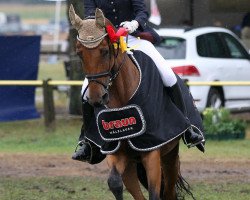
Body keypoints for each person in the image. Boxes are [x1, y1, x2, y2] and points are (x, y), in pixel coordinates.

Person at [72, 0, 204, 162]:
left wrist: (134, 23)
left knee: (168, 75)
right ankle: (87, 140)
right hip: (107, 42)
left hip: (134, 38)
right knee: (85, 91)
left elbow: (142, 12)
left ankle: (187, 126)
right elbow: (90, 15)